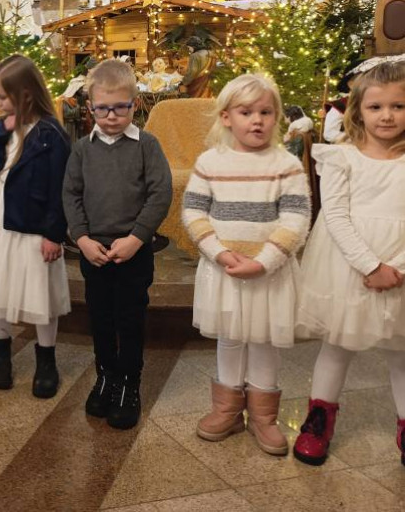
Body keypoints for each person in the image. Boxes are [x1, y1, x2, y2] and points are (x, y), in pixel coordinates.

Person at [182, 74, 312, 456]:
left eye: (266, 112)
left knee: (264, 340)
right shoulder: (210, 162)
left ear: (276, 117)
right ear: (226, 117)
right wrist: (219, 253)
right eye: (246, 112)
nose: (257, 120)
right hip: (224, 271)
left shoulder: (285, 164)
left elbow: (296, 219)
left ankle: (263, 417)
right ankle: (226, 409)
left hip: (267, 274)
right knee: (231, 336)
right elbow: (193, 212)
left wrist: (265, 261)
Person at [293, 60, 405, 467]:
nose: (387, 115)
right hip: (350, 268)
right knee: (337, 345)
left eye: (399, 106)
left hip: (402, 266)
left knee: (401, 349)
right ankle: (319, 419)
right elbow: (335, 214)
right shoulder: (341, 157)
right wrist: (371, 266)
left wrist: (398, 267)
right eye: (376, 107)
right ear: (358, 110)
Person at [63, 59, 173, 428]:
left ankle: (130, 383)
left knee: (129, 319)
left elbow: (160, 193)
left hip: (133, 253)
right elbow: (71, 195)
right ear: (90, 107)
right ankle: (106, 377)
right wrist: (81, 238)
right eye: (102, 108)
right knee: (101, 318)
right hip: (94, 253)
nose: (111, 116)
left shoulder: (147, 146)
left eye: (120, 107)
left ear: (134, 104)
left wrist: (137, 237)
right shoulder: (81, 149)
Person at [0, 54, 71, 399]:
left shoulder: (51, 134)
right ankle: (1, 356)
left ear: (24, 94)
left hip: (34, 226)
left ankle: (46, 361)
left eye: (2, 96)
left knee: (40, 294)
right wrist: (1, 128)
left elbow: (61, 190)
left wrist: (54, 235)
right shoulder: (4, 128)